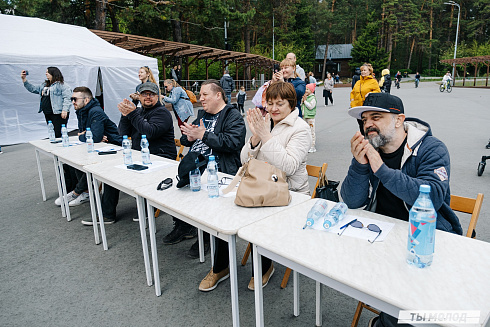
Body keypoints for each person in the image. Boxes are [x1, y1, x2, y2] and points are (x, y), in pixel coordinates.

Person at [341, 92, 463, 327]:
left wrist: (381, 170)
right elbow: (352, 201)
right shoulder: (372, 150)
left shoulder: (431, 148)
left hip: (427, 240)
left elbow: (433, 195)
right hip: (383, 237)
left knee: (408, 308)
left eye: (376, 117)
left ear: (399, 120)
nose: (368, 125)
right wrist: (359, 165)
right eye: (364, 120)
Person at [199, 81, 310, 292]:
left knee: (261, 223)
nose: (274, 108)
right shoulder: (266, 122)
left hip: (288, 194)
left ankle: (264, 268)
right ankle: (220, 267)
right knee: (223, 216)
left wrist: (266, 136)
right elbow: (244, 160)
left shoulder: (301, 129)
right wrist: (255, 141)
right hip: (260, 187)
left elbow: (289, 166)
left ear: (292, 104)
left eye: (280, 103)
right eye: (270, 103)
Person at [164, 80, 246, 259]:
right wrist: (190, 136)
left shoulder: (232, 116)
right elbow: (187, 140)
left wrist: (203, 134)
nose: (200, 98)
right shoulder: (203, 115)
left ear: (218, 95)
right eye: (200, 95)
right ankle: (184, 227)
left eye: (204, 95)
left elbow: (233, 142)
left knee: (205, 201)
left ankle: (208, 236)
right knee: (174, 192)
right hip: (195, 166)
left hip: (218, 170)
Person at [82, 82, 176, 225]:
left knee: (130, 172)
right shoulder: (139, 112)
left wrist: (132, 114)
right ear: (139, 96)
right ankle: (107, 215)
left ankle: (146, 208)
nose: (148, 97)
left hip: (161, 157)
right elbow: (123, 133)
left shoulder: (162, 112)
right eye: (144, 94)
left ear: (158, 96)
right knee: (111, 174)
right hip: (141, 156)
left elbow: (149, 132)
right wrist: (125, 115)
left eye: (151, 94)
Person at [56, 86, 122, 208]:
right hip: (99, 146)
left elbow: (94, 137)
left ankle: (77, 192)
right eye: (71, 99)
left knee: (86, 164)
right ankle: (85, 192)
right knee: (74, 159)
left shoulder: (95, 111)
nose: (73, 102)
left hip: (112, 146)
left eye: (75, 99)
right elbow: (86, 133)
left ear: (86, 100)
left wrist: (85, 135)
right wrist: (87, 134)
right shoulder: (81, 111)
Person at [21, 67, 72, 137]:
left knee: (58, 132)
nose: (46, 74)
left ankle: (61, 144)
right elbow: (33, 89)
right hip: (48, 112)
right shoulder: (44, 85)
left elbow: (67, 98)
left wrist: (65, 110)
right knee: (52, 131)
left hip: (57, 113)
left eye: (47, 72)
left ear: (53, 73)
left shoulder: (62, 85)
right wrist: (24, 79)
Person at [302, 83, 317, 153]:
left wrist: (305, 101)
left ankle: (312, 146)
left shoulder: (312, 98)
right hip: (304, 116)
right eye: (305, 89)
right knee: (305, 132)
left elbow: (310, 106)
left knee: (311, 131)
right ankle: (306, 146)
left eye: (308, 89)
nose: (306, 90)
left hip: (310, 117)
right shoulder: (305, 97)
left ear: (311, 90)